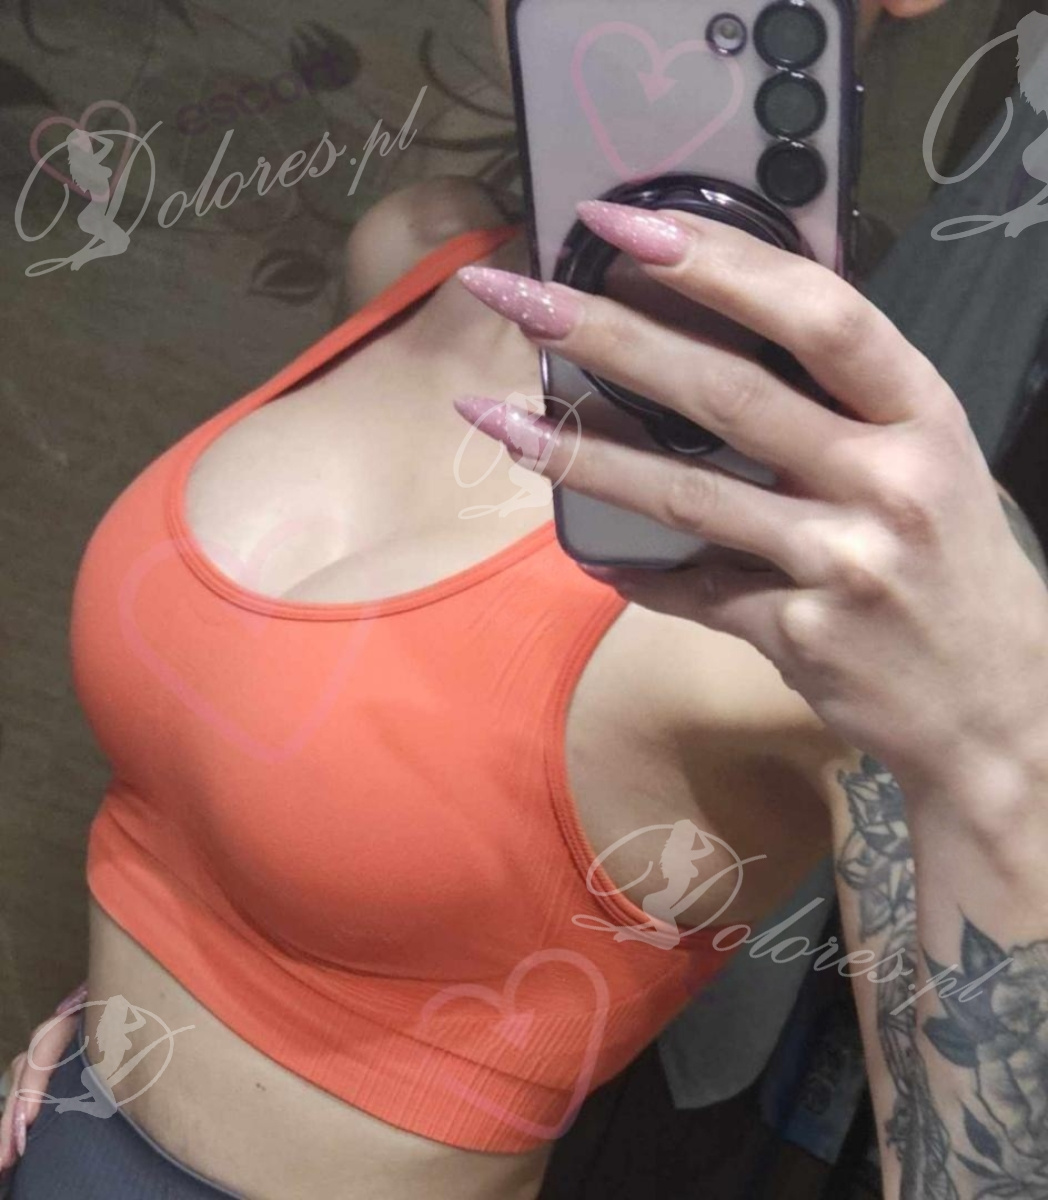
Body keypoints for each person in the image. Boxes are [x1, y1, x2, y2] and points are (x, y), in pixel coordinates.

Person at [3, 1, 1041, 1198]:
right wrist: (128, 1024)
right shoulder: (419, 252)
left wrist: (1003, 750)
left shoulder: (873, 572)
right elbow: (241, 783)